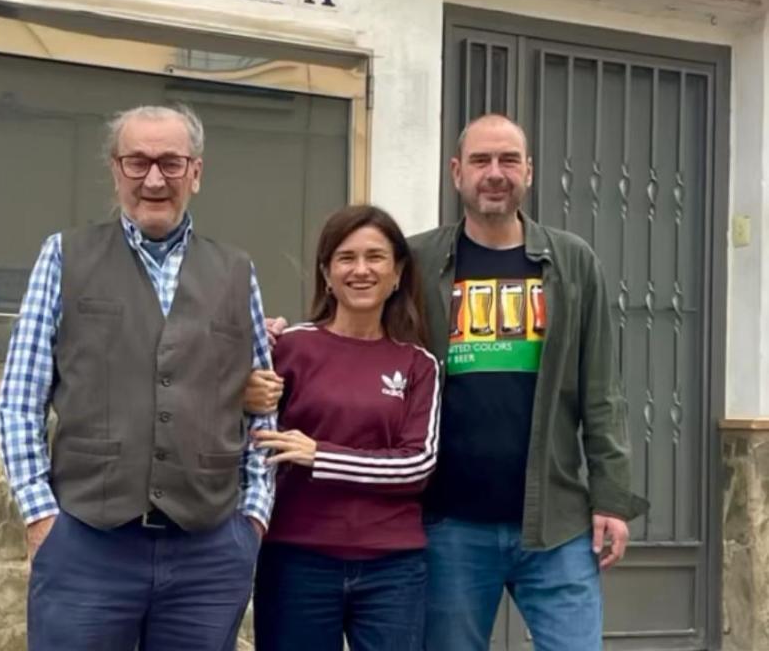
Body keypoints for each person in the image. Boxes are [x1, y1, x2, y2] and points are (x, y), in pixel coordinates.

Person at [245, 113, 647, 650]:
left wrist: (612, 499)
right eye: (481, 160)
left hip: (556, 521)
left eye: (508, 160)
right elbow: (355, 329)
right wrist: (273, 340)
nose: (495, 173)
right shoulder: (420, 258)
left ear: (528, 171)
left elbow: (602, 390)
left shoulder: (572, 261)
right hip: (450, 523)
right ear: (457, 172)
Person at [0, 104, 275, 651]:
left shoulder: (237, 271)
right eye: (137, 162)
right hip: (87, 546)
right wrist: (40, 517)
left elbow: (261, 405)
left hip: (209, 554)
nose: (153, 179)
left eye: (170, 163)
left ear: (196, 171)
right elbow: (20, 398)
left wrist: (253, 518)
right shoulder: (64, 255)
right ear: (115, 169)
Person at [251, 204, 440, 651]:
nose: (361, 270)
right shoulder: (289, 349)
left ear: (397, 273)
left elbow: (417, 464)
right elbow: (251, 438)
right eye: (345, 258)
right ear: (326, 273)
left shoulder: (418, 364)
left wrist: (320, 455)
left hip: (393, 567)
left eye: (375, 257)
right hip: (297, 558)